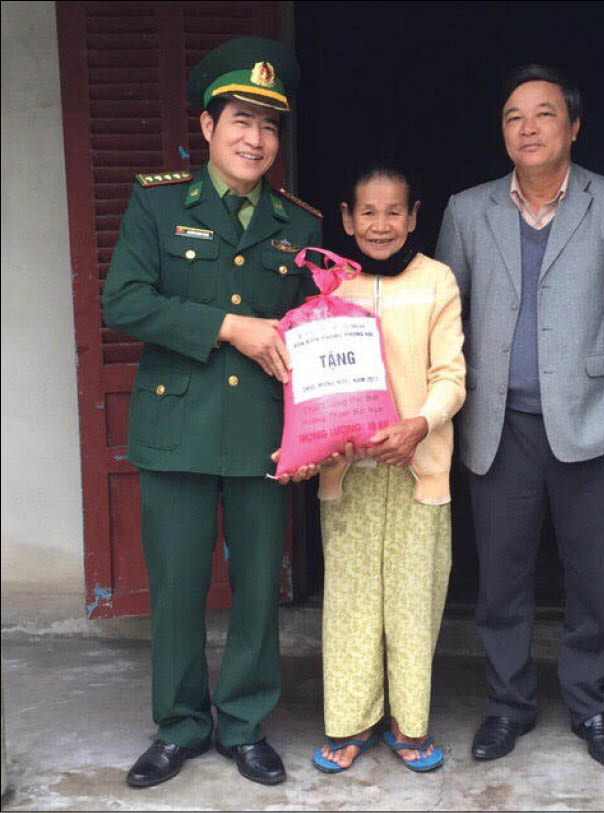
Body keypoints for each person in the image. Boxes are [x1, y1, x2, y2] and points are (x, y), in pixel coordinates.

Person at [102, 36, 323, 788]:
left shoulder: (299, 225)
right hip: (176, 428)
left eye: (269, 125)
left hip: (262, 432)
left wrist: (317, 430)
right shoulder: (159, 202)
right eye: (240, 120)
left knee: (259, 587)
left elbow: (311, 334)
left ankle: (244, 724)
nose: (255, 139)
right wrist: (230, 326)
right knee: (177, 589)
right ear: (207, 126)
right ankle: (179, 725)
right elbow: (125, 301)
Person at [435, 65, 604, 768]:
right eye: (513, 117)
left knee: (596, 577)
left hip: (595, 422)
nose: (527, 128)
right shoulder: (467, 210)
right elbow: (444, 319)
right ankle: (508, 704)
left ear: (574, 127)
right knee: (501, 577)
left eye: (543, 114)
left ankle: (592, 705)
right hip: (498, 427)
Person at [280, 164, 466, 774]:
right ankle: (352, 720)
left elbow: (452, 377)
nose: (380, 225)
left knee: (413, 603)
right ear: (346, 217)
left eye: (393, 212)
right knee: (351, 603)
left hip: (419, 466)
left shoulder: (436, 280)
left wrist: (419, 425)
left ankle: (410, 723)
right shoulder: (330, 287)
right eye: (367, 212)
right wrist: (321, 444)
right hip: (347, 472)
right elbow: (312, 383)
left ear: (413, 217)